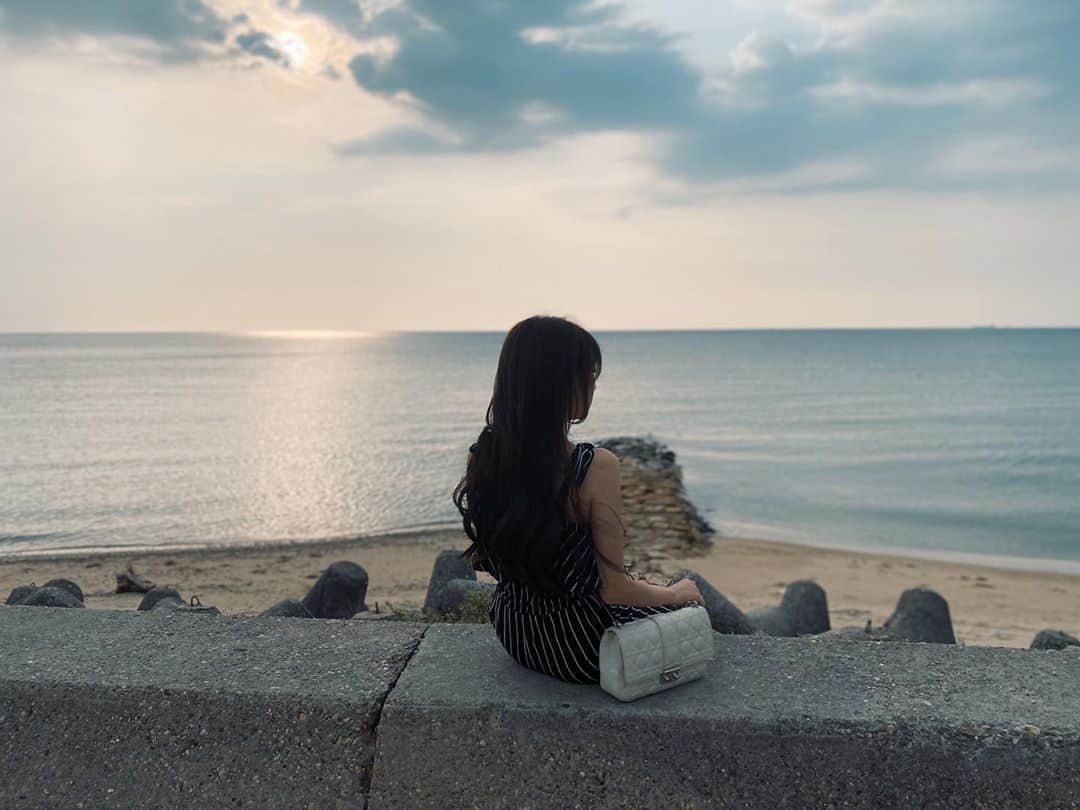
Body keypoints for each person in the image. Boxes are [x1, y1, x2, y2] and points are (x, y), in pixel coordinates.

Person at [453, 315, 705, 684]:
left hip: (516, 634)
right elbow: (615, 589)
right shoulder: (593, 466)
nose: (593, 385)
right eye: (589, 375)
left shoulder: (485, 457)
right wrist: (676, 593)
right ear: (559, 384)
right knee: (691, 604)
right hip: (585, 647)